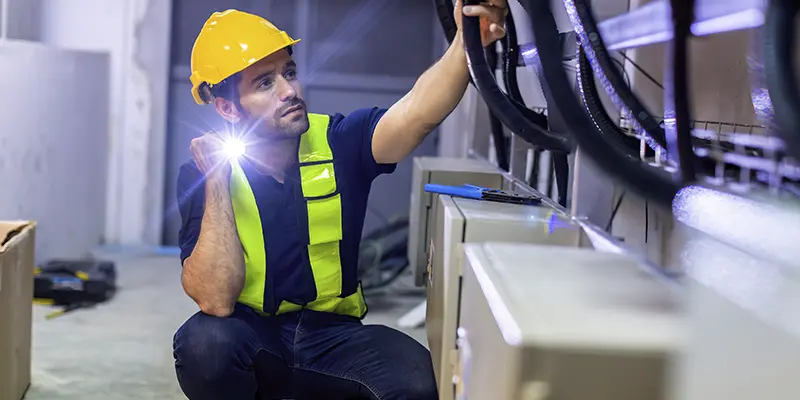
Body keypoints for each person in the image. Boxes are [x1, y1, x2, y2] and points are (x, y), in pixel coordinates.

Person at [172, 1, 507, 399]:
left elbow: (416, 114)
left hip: (334, 338)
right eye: (265, 83)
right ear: (227, 107)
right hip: (252, 335)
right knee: (204, 346)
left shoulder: (340, 141)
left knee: (418, 381)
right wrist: (217, 182)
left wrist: (468, 43)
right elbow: (215, 299)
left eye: (289, 73)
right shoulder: (201, 173)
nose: (289, 91)